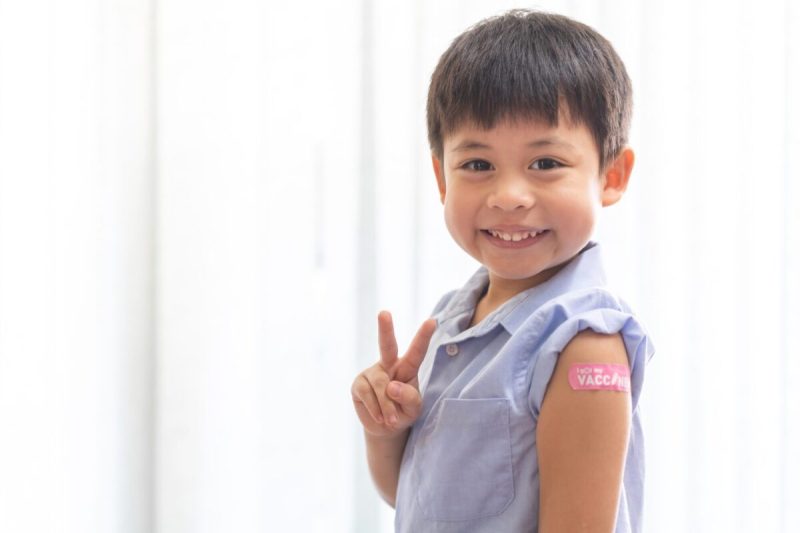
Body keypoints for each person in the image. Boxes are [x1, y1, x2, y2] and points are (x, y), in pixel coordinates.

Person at [350, 9, 655, 532]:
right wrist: (385, 429)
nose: (509, 196)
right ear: (442, 178)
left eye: (545, 164)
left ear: (611, 175)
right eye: (478, 165)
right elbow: (413, 496)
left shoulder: (584, 343)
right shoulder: (452, 320)